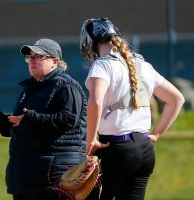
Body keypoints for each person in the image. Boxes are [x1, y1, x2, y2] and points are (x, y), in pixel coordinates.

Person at [79, 17, 185, 200]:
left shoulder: (102, 65)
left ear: (91, 43)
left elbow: (95, 102)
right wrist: (156, 134)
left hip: (117, 148)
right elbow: (176, 99)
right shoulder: (142, 64)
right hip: (144, 149)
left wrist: (91, 140)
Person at [0, 38, 88, 200]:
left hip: (56, 179)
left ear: (55, 61)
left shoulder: (66, 86)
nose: (32, 61)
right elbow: (17, 126)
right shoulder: (30, 89)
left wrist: (30, 118)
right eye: (30, 57)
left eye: (38, 56)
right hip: (29, 179)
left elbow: (68, 120)